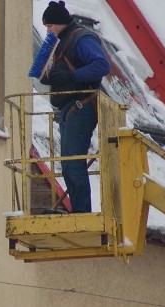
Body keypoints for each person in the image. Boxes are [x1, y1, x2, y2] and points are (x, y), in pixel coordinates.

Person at [38, 1, 110, 213]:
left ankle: (81, 213)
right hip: (69, 110)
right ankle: (77, 211)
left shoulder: (81, 38)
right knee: (69, 164)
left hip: (82, 106)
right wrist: (50, 76)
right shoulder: (59, 42)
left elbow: (101, 65)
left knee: (73, 163)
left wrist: (71, 75)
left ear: (60, 23)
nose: (48, 31)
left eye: (50, 26)